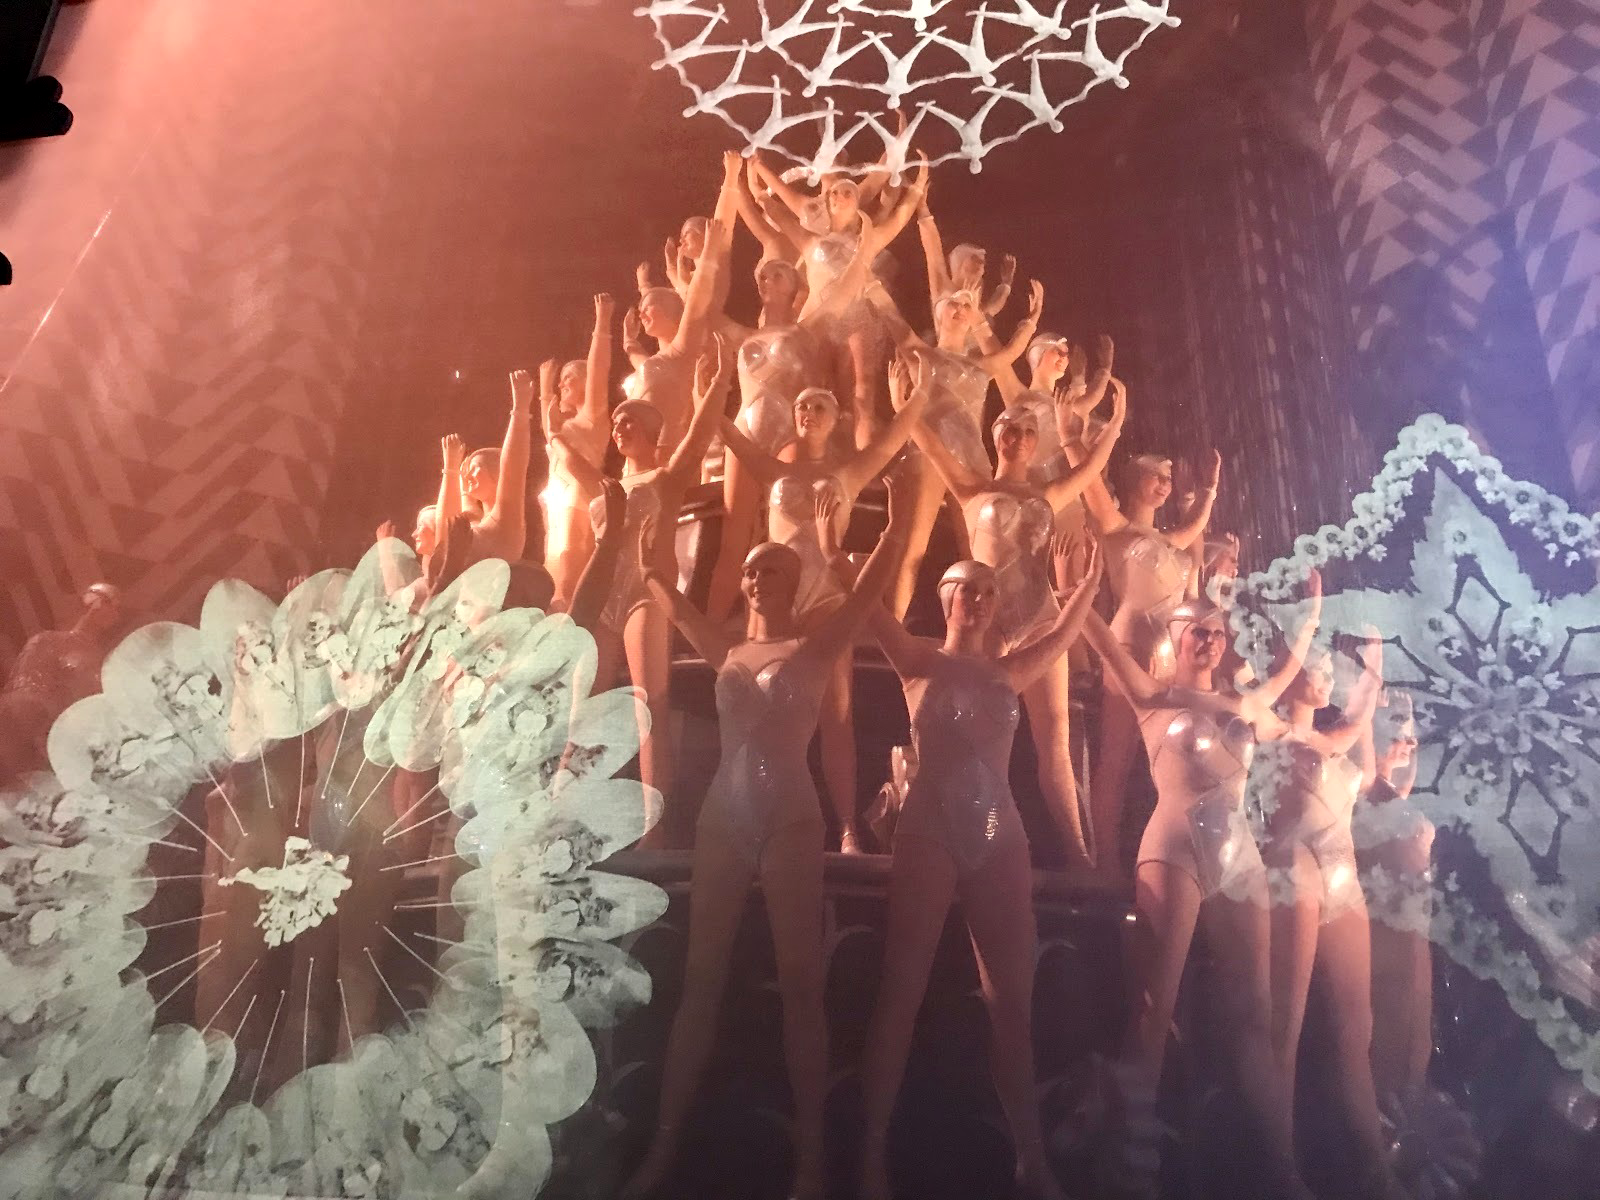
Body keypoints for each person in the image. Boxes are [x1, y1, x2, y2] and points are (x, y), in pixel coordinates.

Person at [618, 474, 915, 1200]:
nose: (753, 579)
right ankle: (662, 1150)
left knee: (802, 986)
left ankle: (811, 1160)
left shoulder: (815, 646)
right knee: (700, 982)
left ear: (792, 581)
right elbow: (664, 590)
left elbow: (869, 588)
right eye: (749, 570)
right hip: (724, 814)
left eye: (769, 570)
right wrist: (646, 544)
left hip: (790, 816)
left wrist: (894, 523)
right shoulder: (724, 645)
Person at [855, 542, 1103, 1200]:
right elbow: (867, 605)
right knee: (900, 995)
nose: (980, 598)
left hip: (998, 833)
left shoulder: (1010, 670)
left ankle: (1031, 1161)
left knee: (1012, 1005)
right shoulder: (917, 659)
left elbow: (1063, 634)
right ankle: (870, 1159)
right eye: (967, 587)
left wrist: (1082, 585)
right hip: (929, 831)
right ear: (945, 598)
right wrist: (838, 552)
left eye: (989, 590)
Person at [1079, 573, 1323, 1200]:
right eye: (1198, 633)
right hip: (1174, 850)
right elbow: (1106, 647)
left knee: (1255, 1013)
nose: (1210, 641)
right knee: (1154, 1009)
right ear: (1177, 637)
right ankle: (1130, 1169)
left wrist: (1310, 619)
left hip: (1238, 857)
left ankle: (1282, 1166)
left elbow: (1285, 677)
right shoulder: (1152, 696)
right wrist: (1076, 597)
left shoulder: (1245, 704)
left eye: (1217, 633)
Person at [905, 380, 1128, 869]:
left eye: (1029, 431)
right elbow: (931, 443)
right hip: (990, 620)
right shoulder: (971, 487)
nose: (1020, 437)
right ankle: (971, 837)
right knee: (981, 738)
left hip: (1041, 616)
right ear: (995, 434)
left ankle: (1079, 854)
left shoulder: (1049, 492)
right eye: (1010, 427)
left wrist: (1114, 424)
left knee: (1056, 740)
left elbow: (1090, 467)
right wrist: (909, 403)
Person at [717, 353, 934, 850]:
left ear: (835, 419)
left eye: (818, 407)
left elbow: (893, 437)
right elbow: (729, 434)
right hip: (775, 598)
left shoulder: (848, 471)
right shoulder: (772, 468)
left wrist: (919, 393)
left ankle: (847, 827)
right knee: (765, 712)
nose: (808, 413)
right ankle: (760, 822)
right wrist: (711, 389)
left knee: (837, 712)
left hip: (825, 597)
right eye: (801, 407)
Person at [559, 322, 736, 844]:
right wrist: (548, 422)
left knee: (647, 703)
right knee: (585, 708)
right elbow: (567, 457)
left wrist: (719, 382)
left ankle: (651, 824)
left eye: (629, 419)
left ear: (652, 431)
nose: (619, 426)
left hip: (643, 594)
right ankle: (569, 814)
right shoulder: (605, 486)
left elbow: (699, 435)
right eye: (616, 420)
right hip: (602, 597)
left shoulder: (665, 478)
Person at [1257, 639, 1403, 1198]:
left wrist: (1373, 668)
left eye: (1326, 668)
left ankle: (1375, 1169)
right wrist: (1367, 669)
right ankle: (1279, 1165)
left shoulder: (1335, 740)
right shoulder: (1276, 732)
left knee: (1356, 1028)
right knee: (1285, 1025)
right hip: (1296, 867)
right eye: (1312, 668)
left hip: (1342, 874)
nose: (1323, 677)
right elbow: (1340, 729)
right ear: (1290, 673)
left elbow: (1361, 747)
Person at [1082, 449, 1219, 875]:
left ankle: (1169, 856)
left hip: (1169, 654)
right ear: (1130, 480)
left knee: (1168, 760)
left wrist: (1210, 490)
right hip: (1131, 645)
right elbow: (1089, 480)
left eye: (1168, 477)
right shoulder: (1115, 527)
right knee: (1117, 757)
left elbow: (1193, 529)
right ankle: (1104, 860)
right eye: (1154, 475)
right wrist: (1078, 437)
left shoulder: (1171, 540)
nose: (1164, 484)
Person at [621, 153, 745, 452]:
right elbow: (667, 314)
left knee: (704, 411)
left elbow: (723, 222)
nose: (681, 241)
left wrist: (731, 176)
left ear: (707, 235)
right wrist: (652, 283)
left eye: (688, 234)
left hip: (715, 340)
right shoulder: (687, 283)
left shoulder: (715, 265)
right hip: (693, 352)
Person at [0, 583, 124, 784]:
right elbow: (22, 691)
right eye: (107, 601)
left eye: (114, 607)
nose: (111, 611)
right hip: (25, 733)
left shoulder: (101, 663)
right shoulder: (47, 640)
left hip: (57, 746)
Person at [542, 294, 617, 610]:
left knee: (570, 573)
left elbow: (599, 369)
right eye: (561, 382)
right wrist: (544, 390)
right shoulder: (566, 426)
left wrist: (602, 323)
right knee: (553, 578)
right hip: (557, 502)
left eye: (569, 379)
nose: (562, 386)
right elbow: (550, 431)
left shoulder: (592, 418)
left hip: (578, 497)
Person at [438, 368, 540, 565]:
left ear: (497, 474)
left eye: (477, 468)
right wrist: (453, 470)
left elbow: (514, 468)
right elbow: (448, 526)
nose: (469, 475)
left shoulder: (504, 523)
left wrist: (520, 411)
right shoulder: (477, 523)